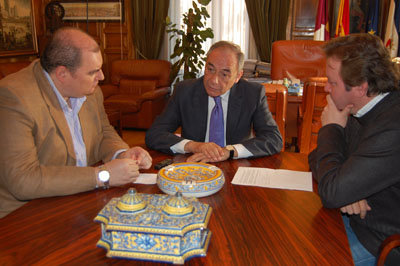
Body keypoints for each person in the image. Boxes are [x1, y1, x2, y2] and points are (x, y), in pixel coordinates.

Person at [0, 27, 152, 218]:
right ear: (62, 74)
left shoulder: (89, 90)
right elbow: (23, 180)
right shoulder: (14, 98)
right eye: (93, 72)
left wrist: (122, 153)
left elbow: (103, 132)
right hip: (27, 214)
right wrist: (101, 176)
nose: (102, 77)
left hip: (80, 198)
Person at [308, 33, 400, 265]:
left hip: (380, 242)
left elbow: (331, 192)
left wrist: (330, 128)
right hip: (351, 220)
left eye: (333, 82)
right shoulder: (361, 106)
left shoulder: (393, 126)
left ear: (360, 87)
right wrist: (345, 190)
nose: (326, 88)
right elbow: (316, 159)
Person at [145, 41, 282, 162]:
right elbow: (155, 134)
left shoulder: (252, 94)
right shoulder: (185, 91)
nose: (213, 80)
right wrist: (194, 146)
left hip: (235, 167)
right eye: (210, 69)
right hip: (194, 164)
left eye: (224, 74)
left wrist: (229, 151)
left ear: (238, 76)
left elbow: (273, 138)